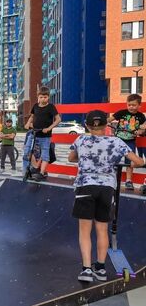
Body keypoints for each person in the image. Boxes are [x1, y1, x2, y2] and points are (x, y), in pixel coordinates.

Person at [68, 110, 144, 282]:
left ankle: (87, 270)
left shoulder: (80, 139)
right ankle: (100, 268)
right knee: (102, 230)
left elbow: (72, 158)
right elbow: (139, 162)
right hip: (107, 188)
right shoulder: (116, 141)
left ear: (86, 125)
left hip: (85, 186)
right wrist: (123, 162)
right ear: (107, 125)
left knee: (84, 231)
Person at [23, 86, 61, 181]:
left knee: (45, 154)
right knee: (27, 150)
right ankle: (35, 166)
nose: (43, 99)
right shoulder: (35, 106)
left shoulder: (51, 107)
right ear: (38, 97)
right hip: (34, 133)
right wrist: (28, 123)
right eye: (41, 97)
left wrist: (49, 128)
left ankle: (41, 172)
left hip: (45, 136)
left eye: (45, 97)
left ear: (48, 97)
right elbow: (32, 117)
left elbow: (58, 119)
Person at [109, 94, 146, 190]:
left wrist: (140, 131)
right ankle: (112, 179)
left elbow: (143, 128)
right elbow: (110, 119)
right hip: (118, 140)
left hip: (130, 141)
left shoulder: (141, 116)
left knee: (129, 162)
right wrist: (103, 121)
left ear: (139, 105)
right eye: (129, 105)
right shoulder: (122, 112)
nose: (131, 107)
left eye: (134, 105)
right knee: (114, 160)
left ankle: (128, 181)